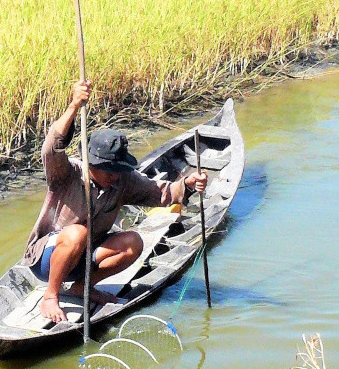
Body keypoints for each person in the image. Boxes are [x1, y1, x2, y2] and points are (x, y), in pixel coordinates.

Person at [24, 80, 207, 323]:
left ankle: (82, 287)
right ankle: (51, 296)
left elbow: (160, 193)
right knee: (77, 233)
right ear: (91, 164)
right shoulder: (67, 173)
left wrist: (188, 184)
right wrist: (74, 105)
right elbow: (51, 148)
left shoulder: (123, 181)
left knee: (133, 242)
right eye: (108, 170)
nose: (114, 175)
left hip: (86, 258)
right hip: (47, 259)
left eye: (117, 170)